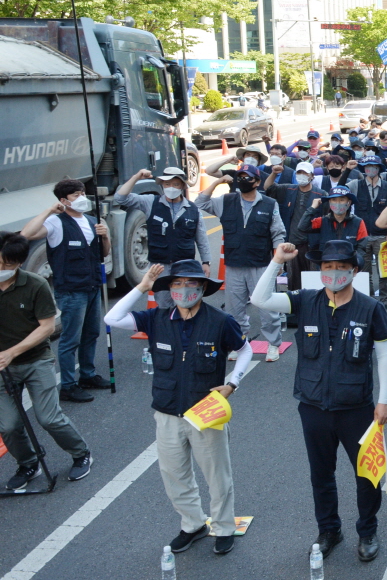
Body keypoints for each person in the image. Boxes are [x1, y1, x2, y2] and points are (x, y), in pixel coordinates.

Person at [250, 241, 387, 562]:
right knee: (321, 474)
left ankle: (367, 530)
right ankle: (329, 529)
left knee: (367, 475)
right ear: (320, 271)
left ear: (354, 271)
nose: (333, 273)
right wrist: (276, 261)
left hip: (357, 408)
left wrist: (383, 400)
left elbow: (383, 353)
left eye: (341, 267)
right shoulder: (305, 301)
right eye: (327, 267)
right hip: (313, 406)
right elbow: (259, 299)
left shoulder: (370, 308)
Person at [103, 260, 251, 556]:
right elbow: (112, 317)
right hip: (167, 411)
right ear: (169, 289)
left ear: (202, 287)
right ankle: (192, 524)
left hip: (206, 412)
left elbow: (245, 349)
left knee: (217, 477)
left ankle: (223, 527)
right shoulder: (155, 318)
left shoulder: (220, 321)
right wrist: (142, 287)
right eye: (177, 284)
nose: (185, 290)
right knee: (174, 475)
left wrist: (232, 384)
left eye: (191, 284)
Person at [0, 232, 93, 488]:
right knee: (8, 425)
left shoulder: (35, 285)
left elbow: (47, 327)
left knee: (49, 418)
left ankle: (81, 454)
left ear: (18, 263)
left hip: (35, 361)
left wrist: (12, 352)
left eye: (7, 265)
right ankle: (29, 463)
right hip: (2, 367)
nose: (1, 269)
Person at [21, 179, 111, 402]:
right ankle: (68, 385)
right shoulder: (56, 223)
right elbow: (26, 234)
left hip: (92, 287)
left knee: (92, 333)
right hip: (71, 291)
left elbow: (104, 253)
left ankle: (88, 375)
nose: (82, 198)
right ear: (63, 201)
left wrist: (105, 235)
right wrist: (49, 210)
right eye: (75, 195)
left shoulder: (92, 221)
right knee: (71, 339)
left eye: (83, 193)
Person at [196, 164, 287, 362]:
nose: (243, 181)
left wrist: (277, 260)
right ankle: (239, 343)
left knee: (267, 308)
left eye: (247, 178)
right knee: (234, 309)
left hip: (261, 264)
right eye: (240, 177)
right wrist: (218, 182)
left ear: (257, 182)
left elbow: (278, 233)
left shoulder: (269, 204)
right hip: (234, 264)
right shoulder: (226, 201)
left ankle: (273, 344)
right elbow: (200, 203)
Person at [113, 168, 212, 308]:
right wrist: (136, 176)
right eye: (167, 184)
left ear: (183, 186)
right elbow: (120, 198)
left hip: (184, 265)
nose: (171, 188)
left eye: (176, 184)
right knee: (164, 304)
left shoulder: (193, 209)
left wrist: (206, 262)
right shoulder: (150, 202)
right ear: (162, 185)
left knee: (186, 302)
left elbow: (201, 238)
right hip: (160, 266)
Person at [343, 155, 387, 302]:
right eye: (367, 167)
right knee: (363, 270)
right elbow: (339, 189)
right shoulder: (356, 184)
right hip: (362, 235)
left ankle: (385, 302)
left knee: (384, 272)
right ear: (364, 169)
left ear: (379, 169)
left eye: (374, 167)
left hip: (382, 236)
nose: (371, 170)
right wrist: (347, 170)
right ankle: (367, 300)